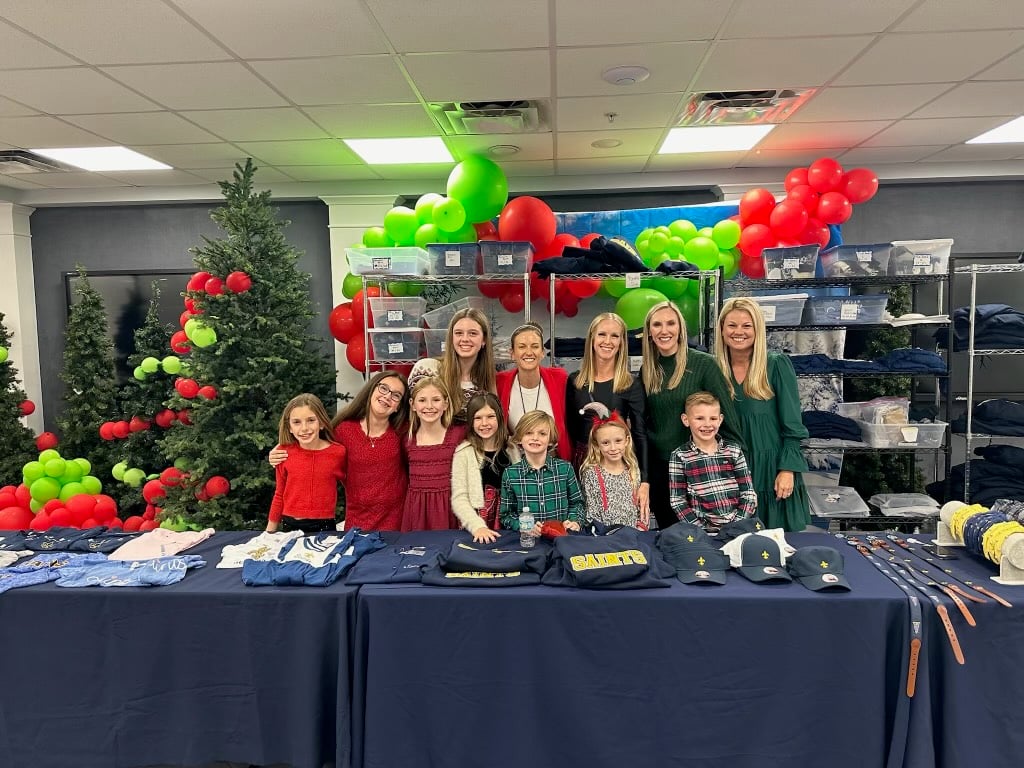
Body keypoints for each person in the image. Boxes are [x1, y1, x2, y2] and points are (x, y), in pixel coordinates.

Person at [640, 301, 743, 530]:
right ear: (649, 332)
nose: (664, 330)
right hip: (662, 471)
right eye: (657, 324)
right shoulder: (648, 370)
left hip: (699, 468)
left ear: (680, 328)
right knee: (672, 538)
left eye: (670, 323)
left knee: (705, 538)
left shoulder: (704, 364)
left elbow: (727, 416)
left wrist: (735, 467)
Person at [715, 296, 811, 531]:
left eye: (747, 325)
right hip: (731, 470)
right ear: (722, 329)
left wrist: (787, 469)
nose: (739, 332)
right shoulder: (713, 368)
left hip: (771, 469)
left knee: (778, 546)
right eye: (732, 325)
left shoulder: (776, 365)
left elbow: (792, 424)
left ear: (758, 329)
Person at [269, 371, 409, 531]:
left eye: (396, 395)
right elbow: (311, 441)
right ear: (371, 390)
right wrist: (279, 450)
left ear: (399, 406)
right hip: (357, 519)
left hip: (397, 519)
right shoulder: (343, 430)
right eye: (383, 388)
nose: (387, 396)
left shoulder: (404, 432)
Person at [566, 312, 650, 515]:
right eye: (602, 334)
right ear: (592, 339)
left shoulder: (631, 384)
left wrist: (645, 481)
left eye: (615, 336)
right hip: (582, 463)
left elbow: (639, 434)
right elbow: (570, 429)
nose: (608, 341)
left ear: (622, 342)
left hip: (617, 466)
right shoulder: (575, 381)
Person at [668, 392, 757, 534]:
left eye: (713, 418)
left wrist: (737, 525)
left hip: (739, 527)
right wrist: (700, 529)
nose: (707, 424)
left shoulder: (733, 450)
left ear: (720, 419)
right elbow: (678, 500)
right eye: (699, 418)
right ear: (686, 420)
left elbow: (748, 493)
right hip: (703, 531)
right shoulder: (680, 456)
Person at [266, 393, 346, 533]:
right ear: (289, 427)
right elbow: (279, 494)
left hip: (325, 526)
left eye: (311, 420)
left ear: (321, 423)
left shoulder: (338, 453)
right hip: (290, 525)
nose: (304, 428)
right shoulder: (282, 453)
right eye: (296, 422)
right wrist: (268, 533)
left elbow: (353, 488)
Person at [496, 322, 572, 461]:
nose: (529, 352)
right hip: (517, 468)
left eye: (535, 346)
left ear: (542, 352)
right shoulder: (500, 382)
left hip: (557, 466)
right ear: (512, 353)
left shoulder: (560, 379)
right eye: (522, 346)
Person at [451, 393, 521, 543]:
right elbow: (459, 498)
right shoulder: (464, 453)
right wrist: (477, 527)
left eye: (490, 416)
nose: (484, 423)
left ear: (499, 418)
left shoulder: (512, 449)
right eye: (478, 418)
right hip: (478, 524)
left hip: (510, 523)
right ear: (471, 422)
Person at [499, 410, 583, 533]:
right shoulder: (510, 474)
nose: (535, 438)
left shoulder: (565, 469)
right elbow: (506, 516)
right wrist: (524, 526)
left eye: (542, 434)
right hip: (529, 541)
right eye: (528, 433)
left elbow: (578, 504)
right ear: (519, 439)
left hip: (562, 537)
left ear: (550, 440)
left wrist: (574, 521)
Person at [401, 376, 467, 531]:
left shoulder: (459, 435)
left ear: (445, 404)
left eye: (436, 400)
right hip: (417, 512)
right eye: (422, 400)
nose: (429, 406)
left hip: (450, 510)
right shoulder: (407, 440)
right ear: (413, 405)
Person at [408, 306, 496, 423]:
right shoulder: (426, 369)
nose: (465, 339)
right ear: (451, 337)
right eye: (459, 333)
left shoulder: (487, 383)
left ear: (484, 340)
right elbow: (409, 417)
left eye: (472, 333)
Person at [579, 407, 648, 529]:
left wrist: (640, 528)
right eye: (606, 443)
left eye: (618, 441)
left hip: (634, 536)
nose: (613, 448)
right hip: (604, 539)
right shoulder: (591, 473)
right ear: (597, 445)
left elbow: (640, 510)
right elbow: (591, 514)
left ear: (626, 441)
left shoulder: (633, 470)